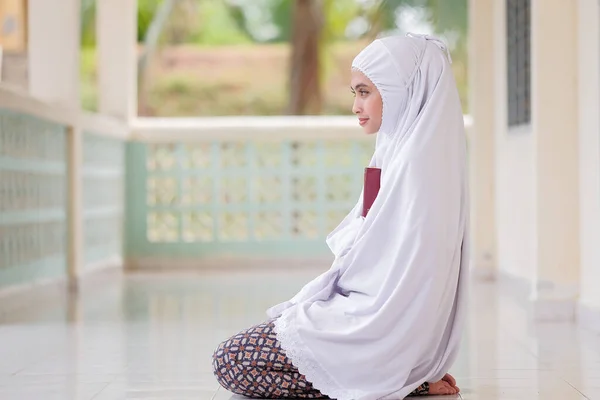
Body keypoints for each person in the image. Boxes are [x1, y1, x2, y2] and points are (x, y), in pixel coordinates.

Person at [212, 32, 469, 399]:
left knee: (231, 361)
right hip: (360, 316)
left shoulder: (418, 168)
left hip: (368, 325)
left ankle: (395, 381)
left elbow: (404, 281)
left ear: (401, 89)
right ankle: (398, 377)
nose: (356, 106)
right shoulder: (398, 150)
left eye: (366, 92)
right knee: (241, 354)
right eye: (355, 93)